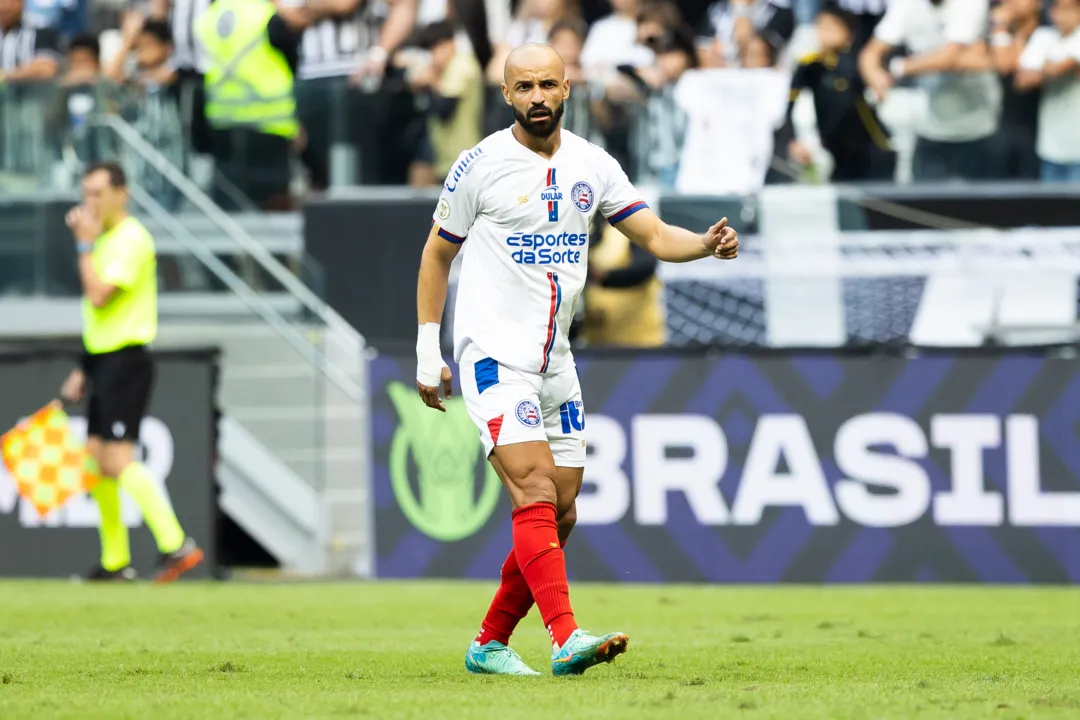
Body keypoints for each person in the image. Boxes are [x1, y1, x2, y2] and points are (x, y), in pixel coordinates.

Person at [414, 43, 738, 677]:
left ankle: (489, 644)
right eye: (524, 86)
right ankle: (566, 639)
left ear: (568, 89)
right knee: (532, 488)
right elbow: (435, 257)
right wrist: (431, 350)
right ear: (506, 95)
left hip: (556, 359)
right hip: (493, 355)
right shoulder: (479, 165)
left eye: (548, 84)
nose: (537, 96)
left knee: (560, 514)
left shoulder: (594, 164)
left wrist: (703, 244)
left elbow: (651, 234)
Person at [60, 161, 204, 583]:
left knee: (118, 459)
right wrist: (85, 366)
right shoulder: (104, 239)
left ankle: (177, 544)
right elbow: (98, 318)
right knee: (94, 460)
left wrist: (83, 247)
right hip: (103, 359)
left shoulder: (130, 239)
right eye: (86, 193)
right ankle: (115, 561)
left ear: (122, 193)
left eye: (99, 193)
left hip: (126, 360)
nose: (91, 202)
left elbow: (101, 296)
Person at [786, 6, 896, 182]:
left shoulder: (859, 64)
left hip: (870, 150)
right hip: (835, 152)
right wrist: (793, 140)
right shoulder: (810, 66)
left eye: (831, 28)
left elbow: (860, 91)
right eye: (820, 27)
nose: (824, 34)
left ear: (848, 33)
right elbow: (789, 103)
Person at [1015, 0, 1080, 181]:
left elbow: (1059, 68)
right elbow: (1022, 81)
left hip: (1078, 149)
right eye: (1058, 8)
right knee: (1053, 207)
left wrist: (1042, 67)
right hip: (1051, 147)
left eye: (1069, 9)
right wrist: (1052, 68)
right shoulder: (1043, 36)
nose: (1062, 14)